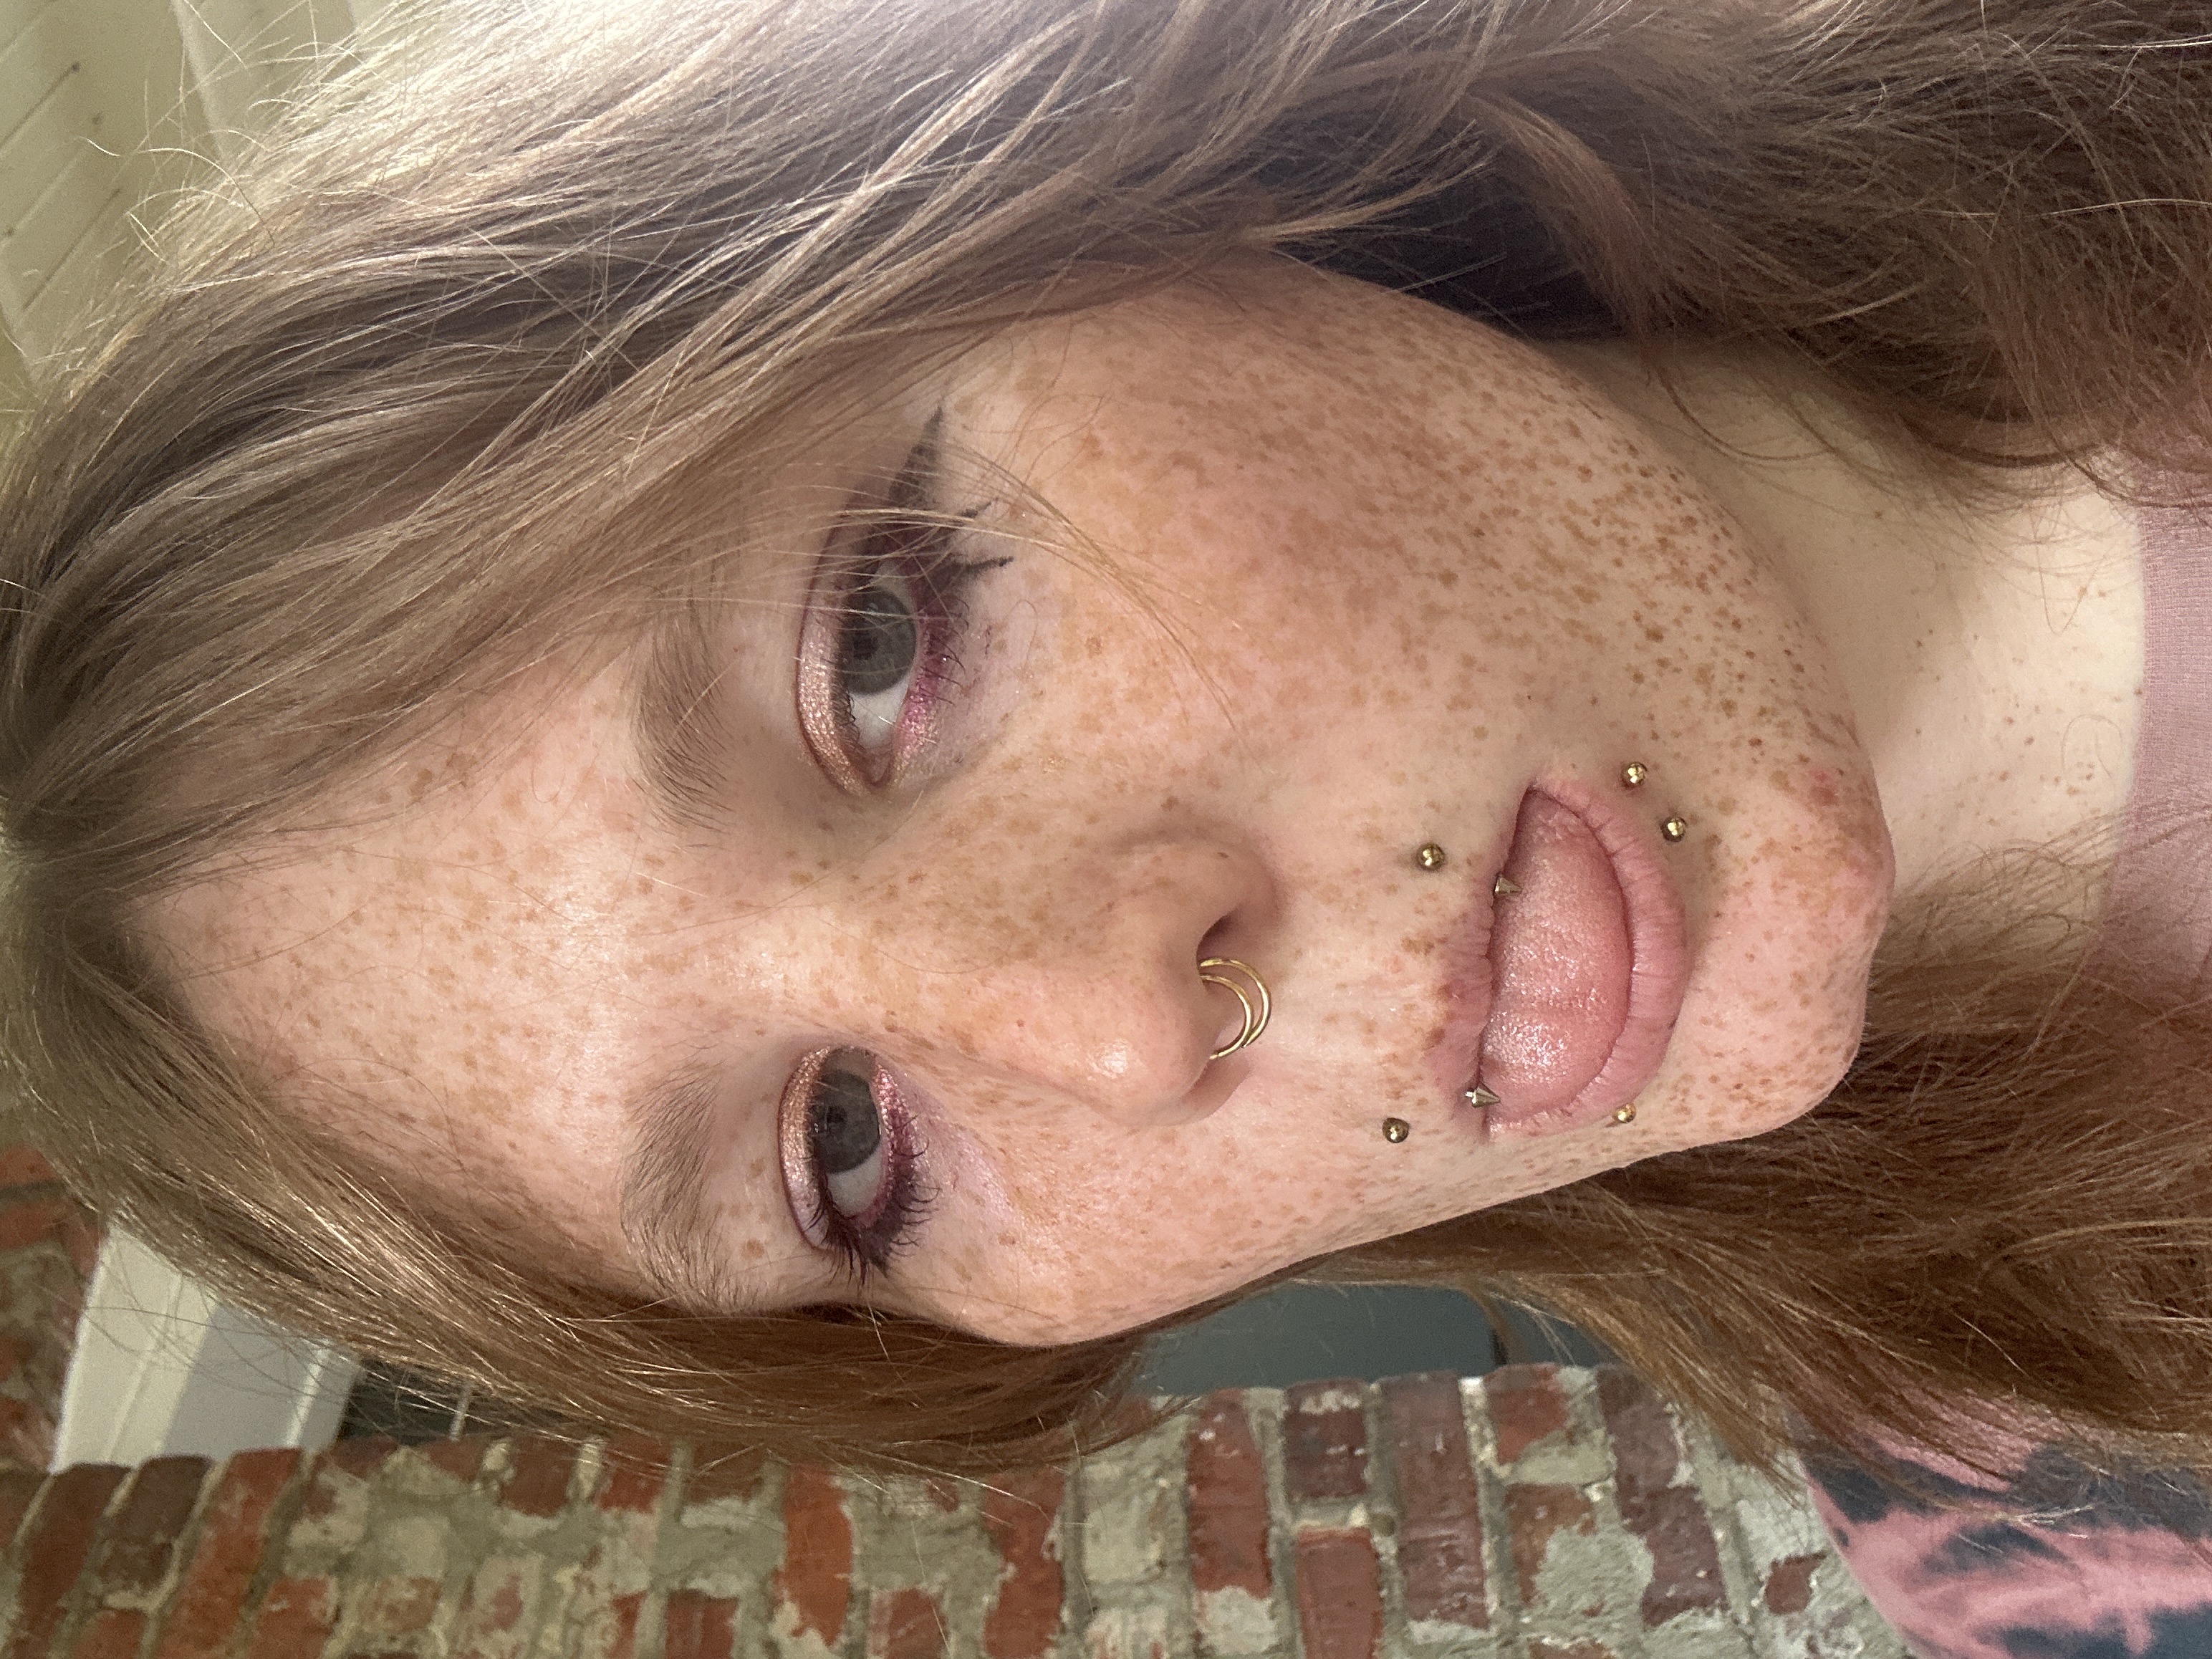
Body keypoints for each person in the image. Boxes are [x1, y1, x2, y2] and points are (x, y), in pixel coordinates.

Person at [4, 0, 2210, 1647]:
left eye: (881, 647)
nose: (1120, 1034)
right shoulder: (2046, 1523)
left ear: (1056, 172)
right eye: (846, 1152)